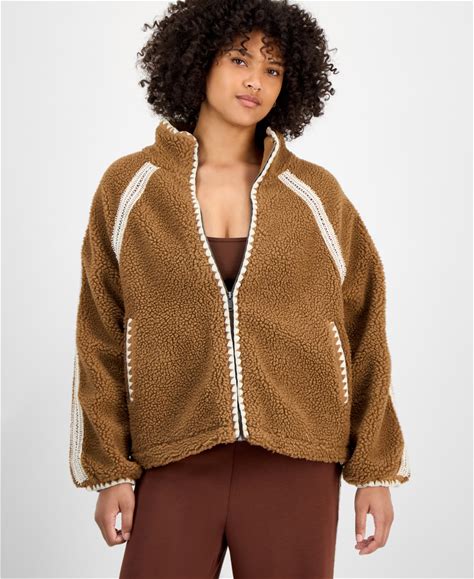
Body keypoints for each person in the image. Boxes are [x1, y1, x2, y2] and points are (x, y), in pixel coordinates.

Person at [68, 0, 411, 577]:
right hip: (174, 451)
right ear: (199, 60)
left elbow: (364, 325)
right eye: (239, 59)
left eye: (273, 69)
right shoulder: (130, 187)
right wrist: (111, 471)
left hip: (297, 455)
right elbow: (100, 331)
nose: (256, 80)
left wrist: (375, 470)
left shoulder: (315, 193)